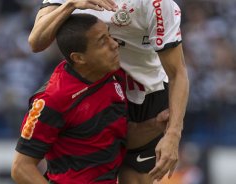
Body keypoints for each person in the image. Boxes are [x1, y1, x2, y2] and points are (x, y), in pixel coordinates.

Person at [27, 0, 189, 183]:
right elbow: (36, 42)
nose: (113, 45)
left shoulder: (157, 4)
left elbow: (177, 72)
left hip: (144, 94)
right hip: (89, 90)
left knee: (133, 178)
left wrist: (173, 135)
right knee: (82, 176)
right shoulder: (55, 99)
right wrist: (70, 5)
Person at [11, 13, 128, 184]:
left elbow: (118, 136)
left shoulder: (113, 74)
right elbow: (21, 168)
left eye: (110, 35)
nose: (114, 44)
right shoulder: (52, 99)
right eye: (103, 41)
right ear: (79, 58)